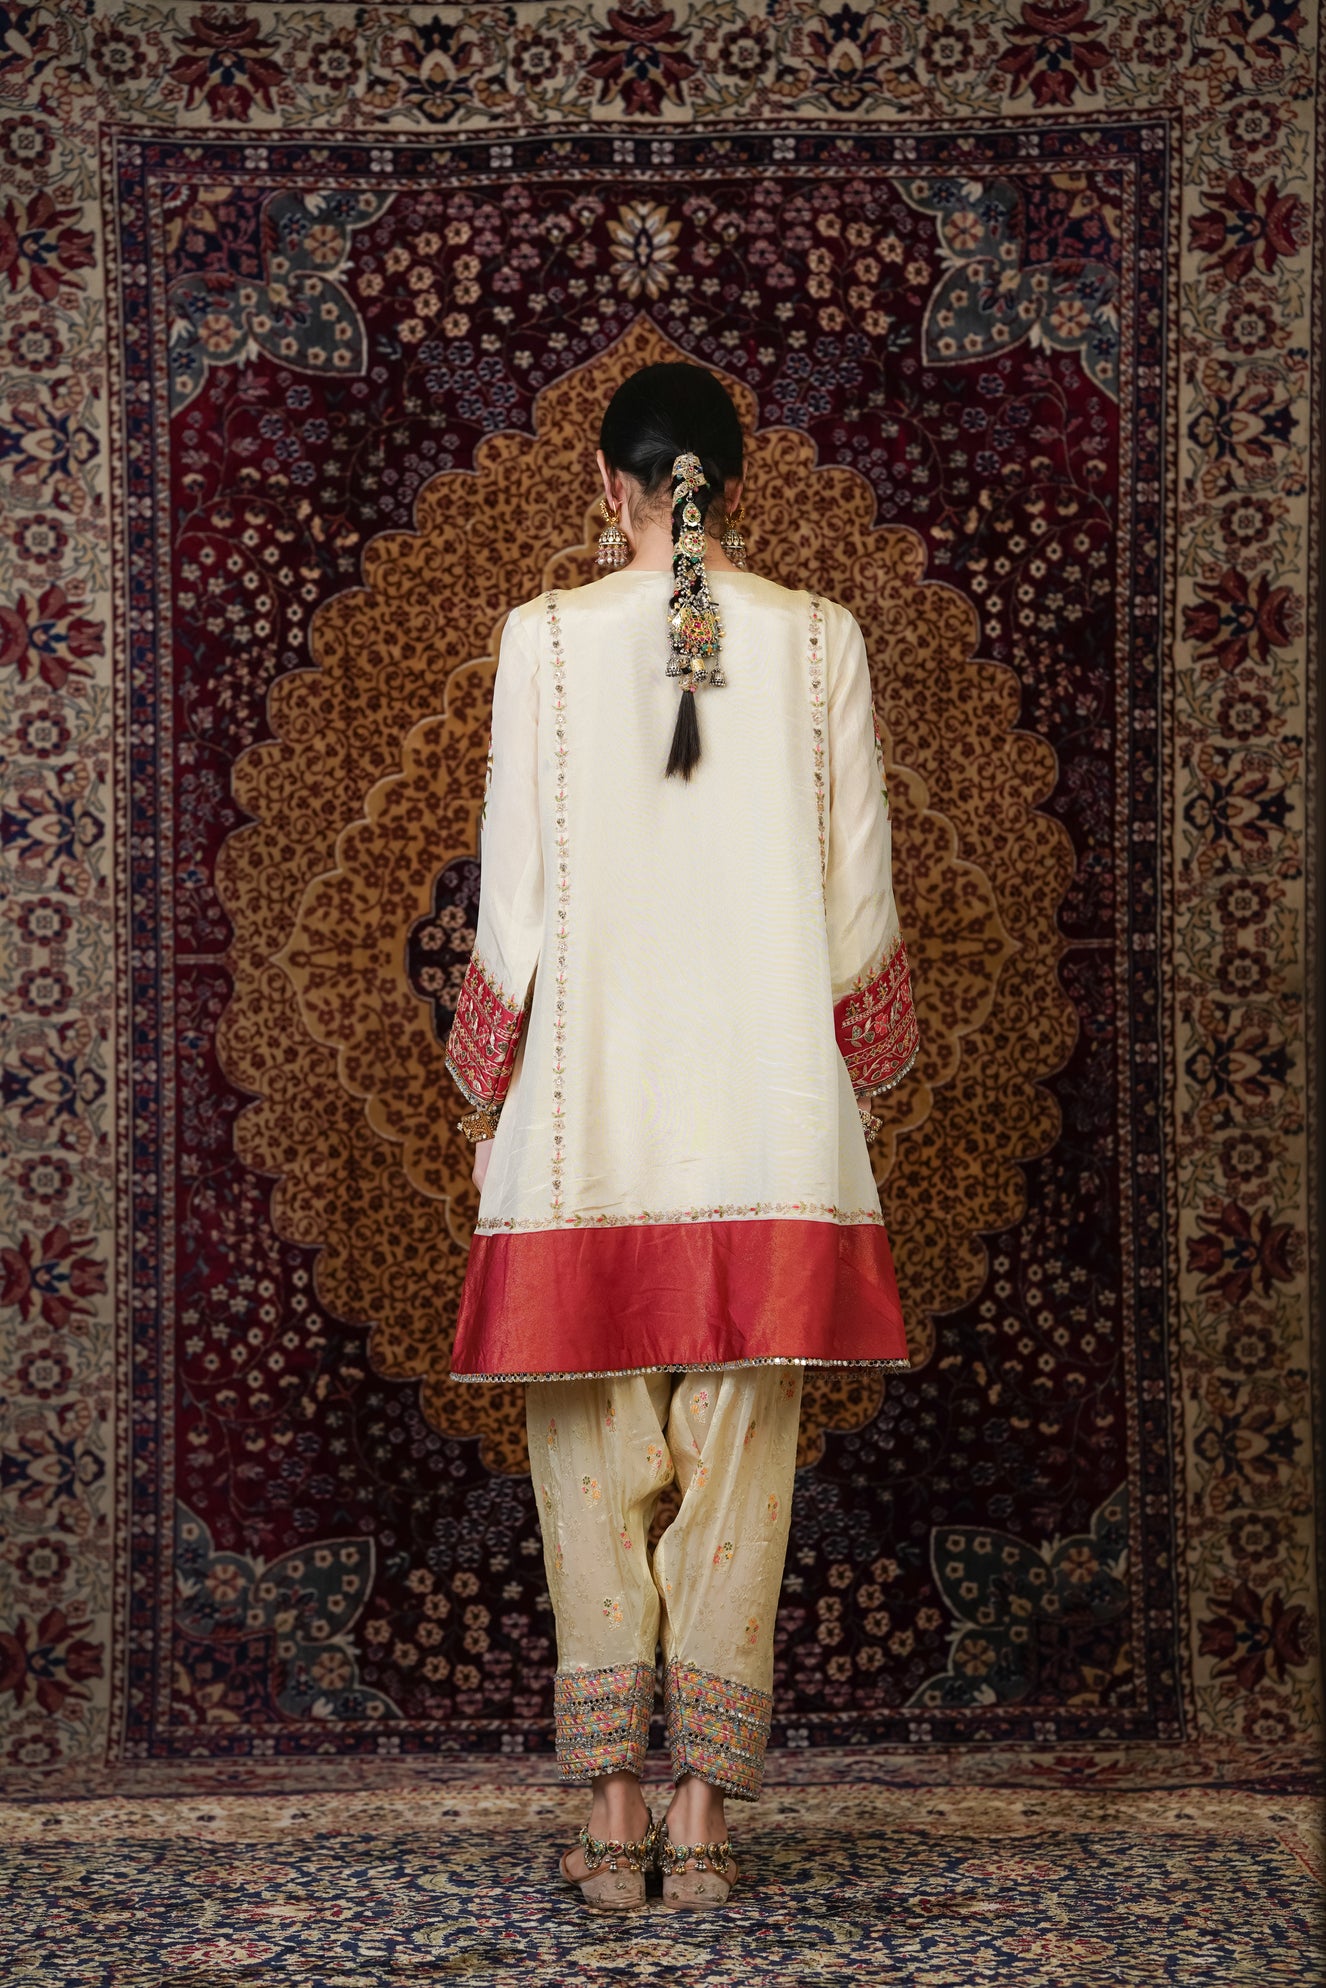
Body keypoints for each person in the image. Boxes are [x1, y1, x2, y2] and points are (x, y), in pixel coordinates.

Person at [443, 362, 919, 1912]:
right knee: (739, 1481)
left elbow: (513, 900)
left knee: (587, 1474)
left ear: (608, 483)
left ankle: (610, 1816)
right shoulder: (818, 639)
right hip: (767, 1121)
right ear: (730, 477)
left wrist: (485, 1094)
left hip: (586, 1126)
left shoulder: (543, 639)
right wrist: (864, 1073)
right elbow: (856, 904)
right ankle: (702, 1819)